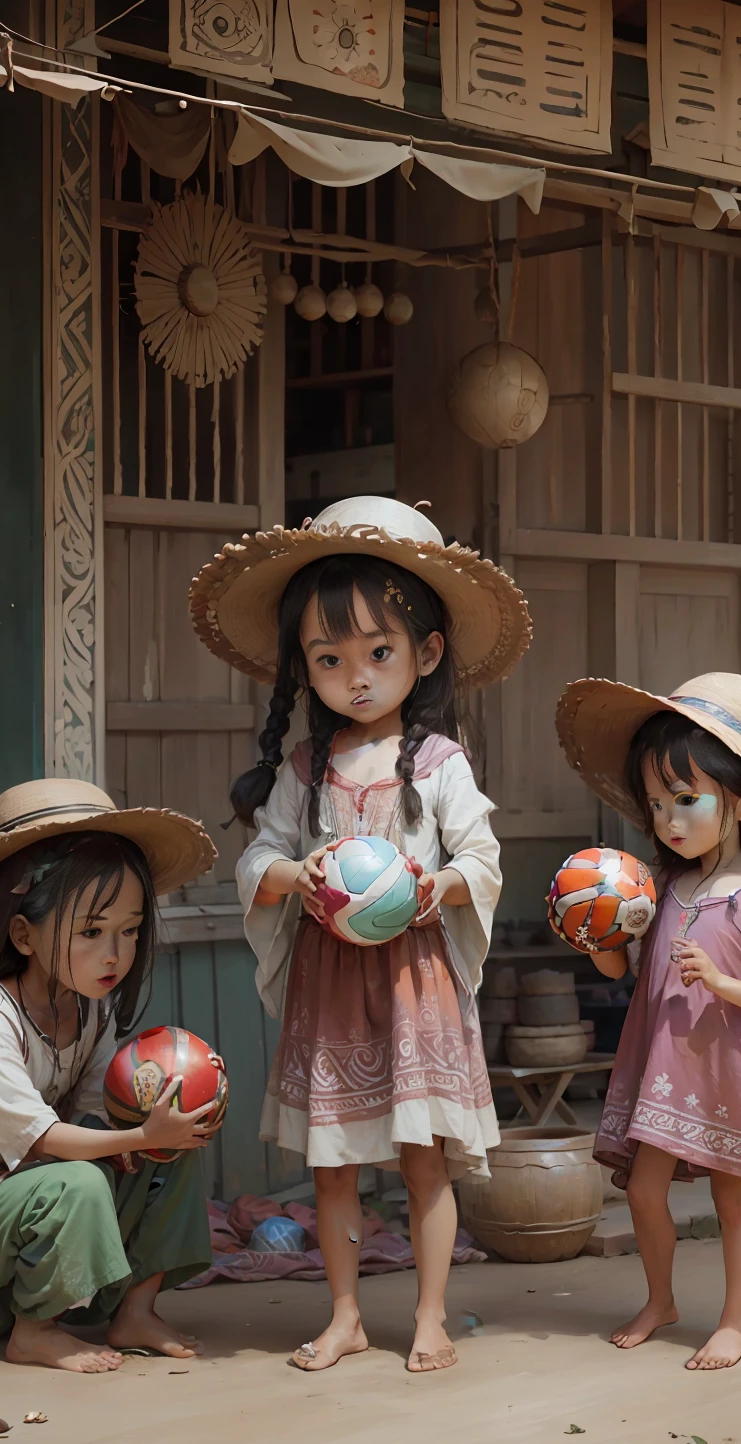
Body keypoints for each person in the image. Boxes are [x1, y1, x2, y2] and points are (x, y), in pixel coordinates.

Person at [191, 497, 531, 1373]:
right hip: (332, 981)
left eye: (380, 653)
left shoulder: (440, 764)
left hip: (415, 980)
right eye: (330, 658)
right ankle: (343, 1314)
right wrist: (289, 875)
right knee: (333, 1163)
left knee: (423, 1162)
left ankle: (429, 1317)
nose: (359, 676)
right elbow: (258, 855)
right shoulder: (303, 770)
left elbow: (482, 859)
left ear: (425, 654)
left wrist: (437, 885)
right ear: (305, 670)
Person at [0, 779, 220, 1373]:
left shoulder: (89, 1008)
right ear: (23, 934)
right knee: (81, 1179)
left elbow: (90, 1117)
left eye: (129, 930)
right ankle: (34, 1331)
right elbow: (48, 1141)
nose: (115, 953)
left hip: (25, 1198)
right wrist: (138, 1137)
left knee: (171, 1154)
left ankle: (135, 1308)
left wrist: (160, 1112)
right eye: (91, 932)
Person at [554, 672, 741, 1370]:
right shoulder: (661, 887)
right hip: (666, 1070)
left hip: (729, 1069)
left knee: (734, 1202)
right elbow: (626, 974)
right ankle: (660, 1300)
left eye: (685, 799)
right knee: (644, 1191)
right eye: (656, 804)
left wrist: (720, 980)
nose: (669, 820)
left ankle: (735, 1321)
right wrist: (597, 940)